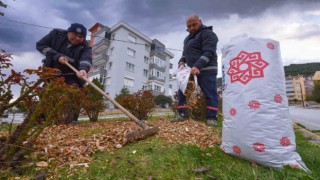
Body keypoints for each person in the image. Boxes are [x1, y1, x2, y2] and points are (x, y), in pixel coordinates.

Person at [36, 23, 92, 124]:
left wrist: (83, 69)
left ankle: (71, 121)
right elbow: (40, 45)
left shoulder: (86, 46)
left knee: (75, 93)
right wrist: (56, 56)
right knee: (46, 93)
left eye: (81, 37)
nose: (78, 38)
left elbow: (86, 58)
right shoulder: (56, 34)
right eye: (75, 35)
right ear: (68, 32)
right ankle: (40, 120)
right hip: (53, 71)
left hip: (72, 74)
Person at [171, 15, 219, 126]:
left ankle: (212, 118)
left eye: (194, 24)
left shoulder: (208, 34)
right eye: (189, 26)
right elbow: (185, 54)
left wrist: (198, 66)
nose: (191, 28)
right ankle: (183, 115)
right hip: (190, 71)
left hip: (207, 69)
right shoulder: (187, 39)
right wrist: (182, 61)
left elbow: (209, 52)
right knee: (183, 91)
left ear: (200, 21)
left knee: (210, 93)